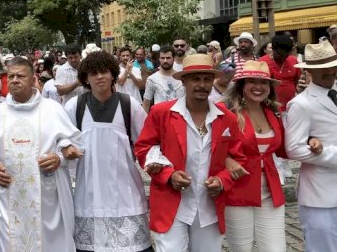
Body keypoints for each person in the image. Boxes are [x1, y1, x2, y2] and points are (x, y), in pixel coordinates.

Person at [134, 54, 246, 252]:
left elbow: (237, 158)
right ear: (183, 81)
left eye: (207, 79)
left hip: (208, 204)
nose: (202, 85)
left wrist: (221, 181)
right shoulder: (162, 113)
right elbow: (144, 149)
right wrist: (169, 175)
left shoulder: (226, 117)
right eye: (196, 78)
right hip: (171, 203)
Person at [0, 57, 83, 252]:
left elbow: (74, 144)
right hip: (7, 197)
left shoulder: (52, 110)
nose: (14, 80)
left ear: (33, 80)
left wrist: (59, 157)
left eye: (20, 76)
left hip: (47, 200)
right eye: (11, 75)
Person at [222, 61, 317, 252]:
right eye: (252, 82)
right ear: (242, 85)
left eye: (264, 82)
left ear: (269, 87)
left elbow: (284, 148)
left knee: (276, 248)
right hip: (238, 190)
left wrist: (311, 139)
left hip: (270, 190)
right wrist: (227, 160)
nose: (258, 87)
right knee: (242, 249)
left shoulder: (272, 112)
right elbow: (210, 146)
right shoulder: (226, 112)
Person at [65, 51, 151, 252]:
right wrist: (66, 149)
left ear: (113, 74)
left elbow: (146, 143)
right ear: (85, 78)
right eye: (93, 73)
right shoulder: (74, 106)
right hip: (89, 190)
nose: (99, 77)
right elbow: (62, 143)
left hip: (125, 190)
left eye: (104, 71)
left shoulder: (129, 105)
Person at [285, 41, 337, 251]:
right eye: (322, 68)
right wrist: (329, 153)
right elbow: (294, 148)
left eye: (332, 65)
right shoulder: (300, 104)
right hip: (319, 194)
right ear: (308, 70)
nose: (330, 71)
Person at [260, 34, 301, 109]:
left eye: (286, 55)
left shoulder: (293, 61)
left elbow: (297, 83)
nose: (283, 57)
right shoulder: (262, 62)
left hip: (290, 107)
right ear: (273, 49)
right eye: (280, 54)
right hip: (269, 107)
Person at [143, 45, 185, 112]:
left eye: (168, 58)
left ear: (173, 58)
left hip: (178, 118)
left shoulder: (182, 78)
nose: (165, 61)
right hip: (159, 119)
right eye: (162, 58)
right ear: (159, 59)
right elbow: (146, 103)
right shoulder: (152, 79)